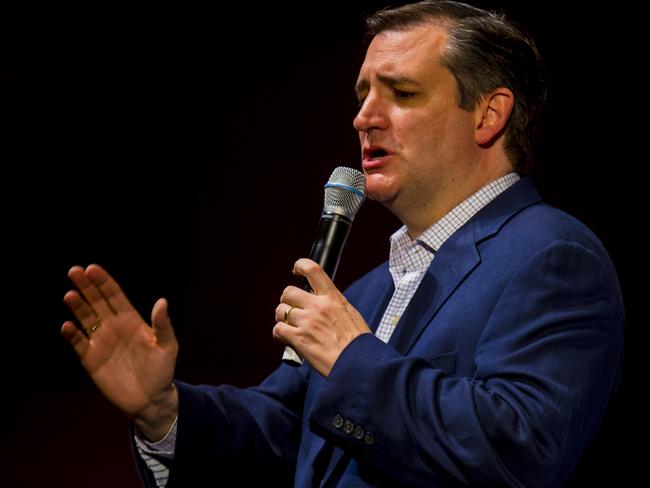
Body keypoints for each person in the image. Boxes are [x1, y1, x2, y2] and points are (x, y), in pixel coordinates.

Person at [61, 1, 624, 486]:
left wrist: (353, 359)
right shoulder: (369, 290)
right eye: (362, 95)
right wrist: (164, 411)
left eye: (401, 93)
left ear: (488, 114)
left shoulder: (551, 256)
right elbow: (284, 432)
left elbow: (520, 449)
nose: (364, 118)